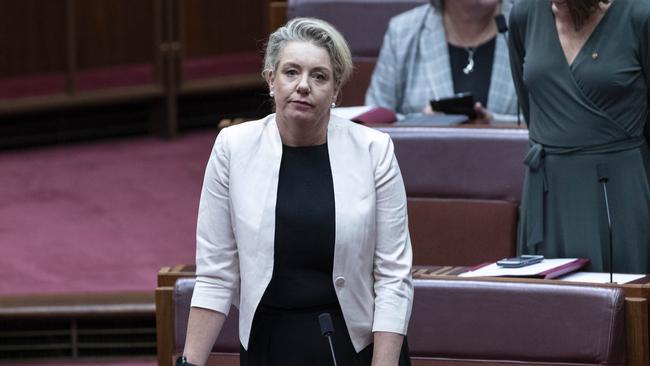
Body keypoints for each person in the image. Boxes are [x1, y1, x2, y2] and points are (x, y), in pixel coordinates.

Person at [177, 17, 413, 366]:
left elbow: (394, 277)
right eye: (291, 72)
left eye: (319, 76)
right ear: (271, 80)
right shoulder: (233, 148)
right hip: (269, 344)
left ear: (335, 92)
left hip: (354, 345)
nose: (303, 85)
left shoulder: (373, 150)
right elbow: (216, 274)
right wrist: (189, 364)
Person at [509, 0, 650, 273]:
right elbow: (533, 108)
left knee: (626, 304)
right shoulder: (525, 14)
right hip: (548, 192)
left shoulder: (641, 14)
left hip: (623, 189)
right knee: (547, 306)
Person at [365, 0, 518, 123]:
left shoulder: (527, 26)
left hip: (508, 159)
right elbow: (374, 119)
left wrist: (494, 122)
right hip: (420, 158)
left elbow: (540, 121)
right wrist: (421, 122)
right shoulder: (402, 32)